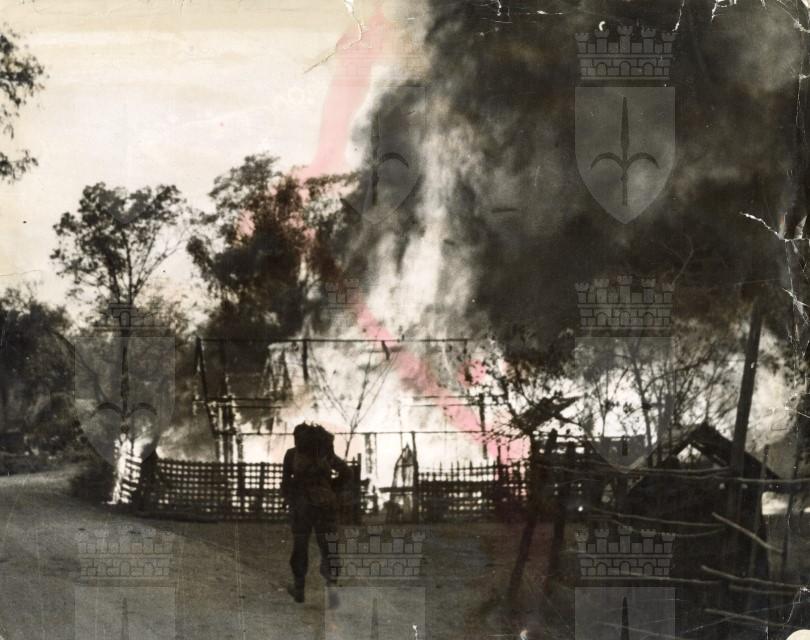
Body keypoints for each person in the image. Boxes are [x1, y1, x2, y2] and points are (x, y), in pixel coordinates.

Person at [280, 422, 350, 603]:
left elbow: (285, 482)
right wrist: (332, 488)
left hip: (302, 506)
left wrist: (289, 497)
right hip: (325, 504)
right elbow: (346, 472)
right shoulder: (325, 454)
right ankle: (332, 587)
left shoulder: (292, 455)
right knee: (328, 546)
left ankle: (299, 589)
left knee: (300, 546)